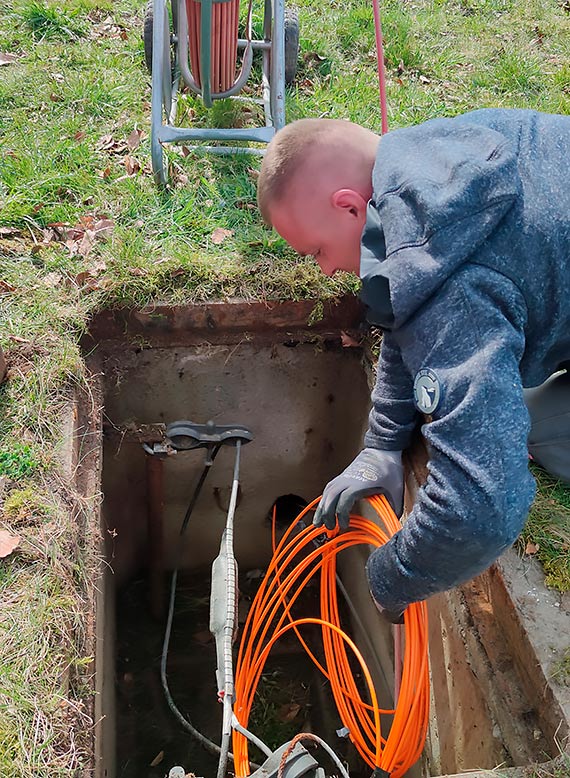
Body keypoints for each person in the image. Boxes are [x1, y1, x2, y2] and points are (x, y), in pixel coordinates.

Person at [257, 109, 570, 623]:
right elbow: (411, 293)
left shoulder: (457, 286)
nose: (328, 269)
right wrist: (383, 442)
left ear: (349, 206)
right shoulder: (437, 160)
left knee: (521, 429)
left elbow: (482, 505)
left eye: (316, 251)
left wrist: (391, 577)